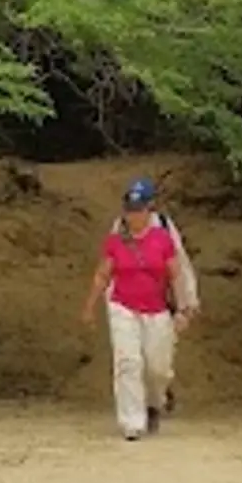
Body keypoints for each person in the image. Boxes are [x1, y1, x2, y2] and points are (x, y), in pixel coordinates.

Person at [85, 176, 197, 440]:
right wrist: (91, 304)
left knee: (157, 368)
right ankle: (132, 422)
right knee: (128, 361)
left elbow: (179, 269)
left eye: (140, 208)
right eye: (130, 208)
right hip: (123, 303)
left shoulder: (165, 231)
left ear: (151, 207)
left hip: (158, 306)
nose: (134, 214)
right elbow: (105, 270)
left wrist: (186, 305)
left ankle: (155, 400)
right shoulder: (118, 232)